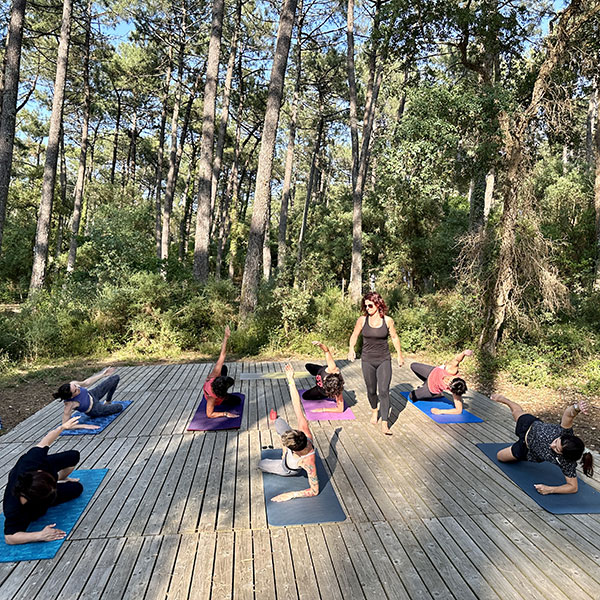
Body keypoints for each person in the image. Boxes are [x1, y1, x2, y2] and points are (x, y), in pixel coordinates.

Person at [3, 417, 84, 544]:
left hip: (43, 473)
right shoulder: (13, 507)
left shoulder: (31, 461)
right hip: (39, 497)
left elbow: (46, 440)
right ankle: (56, 485)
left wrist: (62, 427)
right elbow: (10, 537)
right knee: (77, 488)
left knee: (73, 455)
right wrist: (40, 535)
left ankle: (60, 479)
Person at [492, 393, 594, 494]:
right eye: (556, 441)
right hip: (529, 425)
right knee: (516, 411)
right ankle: (505, 400)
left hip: (526, 449)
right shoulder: (565, 432)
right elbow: (568, 414)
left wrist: (549, 489)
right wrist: (576, 407)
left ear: (564, 455)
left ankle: (519, 451)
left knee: (500, 456)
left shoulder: (566, 462)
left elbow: (573, 487)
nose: (552, 445)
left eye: (556, 449)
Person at [258, 363, 319, 502]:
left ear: (295, 450)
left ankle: (281, 455)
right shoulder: (305, 431)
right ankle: (277, 420)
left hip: (287, 467)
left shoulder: (308, 462)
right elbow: (297, 404)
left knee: (261, 464)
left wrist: (290, 495)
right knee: (279, 422)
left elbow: (314, 491)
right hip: (290, 450)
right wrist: (290, 379)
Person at [348, 292, 403, 435]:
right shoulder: (362, 320)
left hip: (384, 359)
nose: (367, 308)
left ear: (378, 304)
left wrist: (399, 355)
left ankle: (385, 423)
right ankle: (374, 410)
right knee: (371, 390)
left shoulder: (388, 321)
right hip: (367, 360)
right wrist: (351, 349)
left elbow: (395, 337)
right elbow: (354, 335)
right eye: (365, 306)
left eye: (370, 305)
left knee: (384, 391)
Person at [54, 366, 122, 429]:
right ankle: (102, 410)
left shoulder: (72, 384)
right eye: (76, 390)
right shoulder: (69, 404)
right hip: (95, 409)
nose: (78, 388)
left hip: (93, 394)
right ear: (71, 396)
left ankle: (108, 401)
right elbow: (65, 425)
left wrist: (103, 374)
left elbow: (86, 382)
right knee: (119, 407)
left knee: (115, 378)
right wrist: (84, 426)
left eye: (76, 386)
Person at [409, 350, 472, 415]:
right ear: (454, 377)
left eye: (449, 385)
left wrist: (440, 411)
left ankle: (435, 395)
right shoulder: (452, 370)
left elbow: (458, 410)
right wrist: (463, 353)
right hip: (430, 372)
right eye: (450, 381)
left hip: (431, 388)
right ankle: (425, 383)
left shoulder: (455, 390)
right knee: (413, 365)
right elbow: (457, 360)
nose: (447, 383)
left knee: (412, 396)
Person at [203, 325, 239, 418]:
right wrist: (226, 414)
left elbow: (222, 354)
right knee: (237, 400)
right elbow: (209, 414)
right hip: (216, 396)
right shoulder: (212, 398)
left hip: (214, 385)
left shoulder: (215, 374)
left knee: (223, 367)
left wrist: (226, 337)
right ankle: (226, 398)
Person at [302, 341, 345, 413]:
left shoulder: (337, 391)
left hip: (319, 390)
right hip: (320, 371)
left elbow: (340, 409)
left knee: (305, 396)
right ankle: (314, 372)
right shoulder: (332, 368)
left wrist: (322, 410)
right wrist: (320, 344)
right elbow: (327, 351)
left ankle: (323, 395)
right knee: (308, 366)